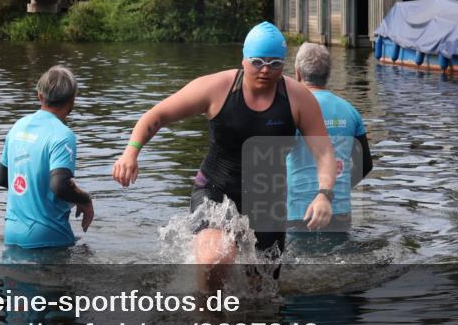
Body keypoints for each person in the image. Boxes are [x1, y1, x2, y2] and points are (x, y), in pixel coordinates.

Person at [112, 21, 336, 266]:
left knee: (262, 290)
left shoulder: (298, 98)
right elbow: (156, 116)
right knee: (215, 259)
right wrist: (130, 153)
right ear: (243, 60)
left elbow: (323, 151)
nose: (265, 70)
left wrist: (324, 194)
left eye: (274, 64)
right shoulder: (217, 88)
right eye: (257, 62)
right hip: (215, 189)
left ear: (283, 65)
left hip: (267, 200)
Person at [286, 42, 373, 249]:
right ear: (328, 74)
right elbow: (365, 164)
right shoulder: (350, 111)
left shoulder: (291, 111)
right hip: (339, 211)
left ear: (297, 74)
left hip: (299, 211)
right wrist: (336, 189)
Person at [0, 66, 94, 249]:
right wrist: (84, 199)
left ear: (39, 96)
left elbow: (3, 179)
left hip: (11, 233)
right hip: (49, 237)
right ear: (72, 99)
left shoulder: (18, 126)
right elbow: (59, 185)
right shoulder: (63, 135)